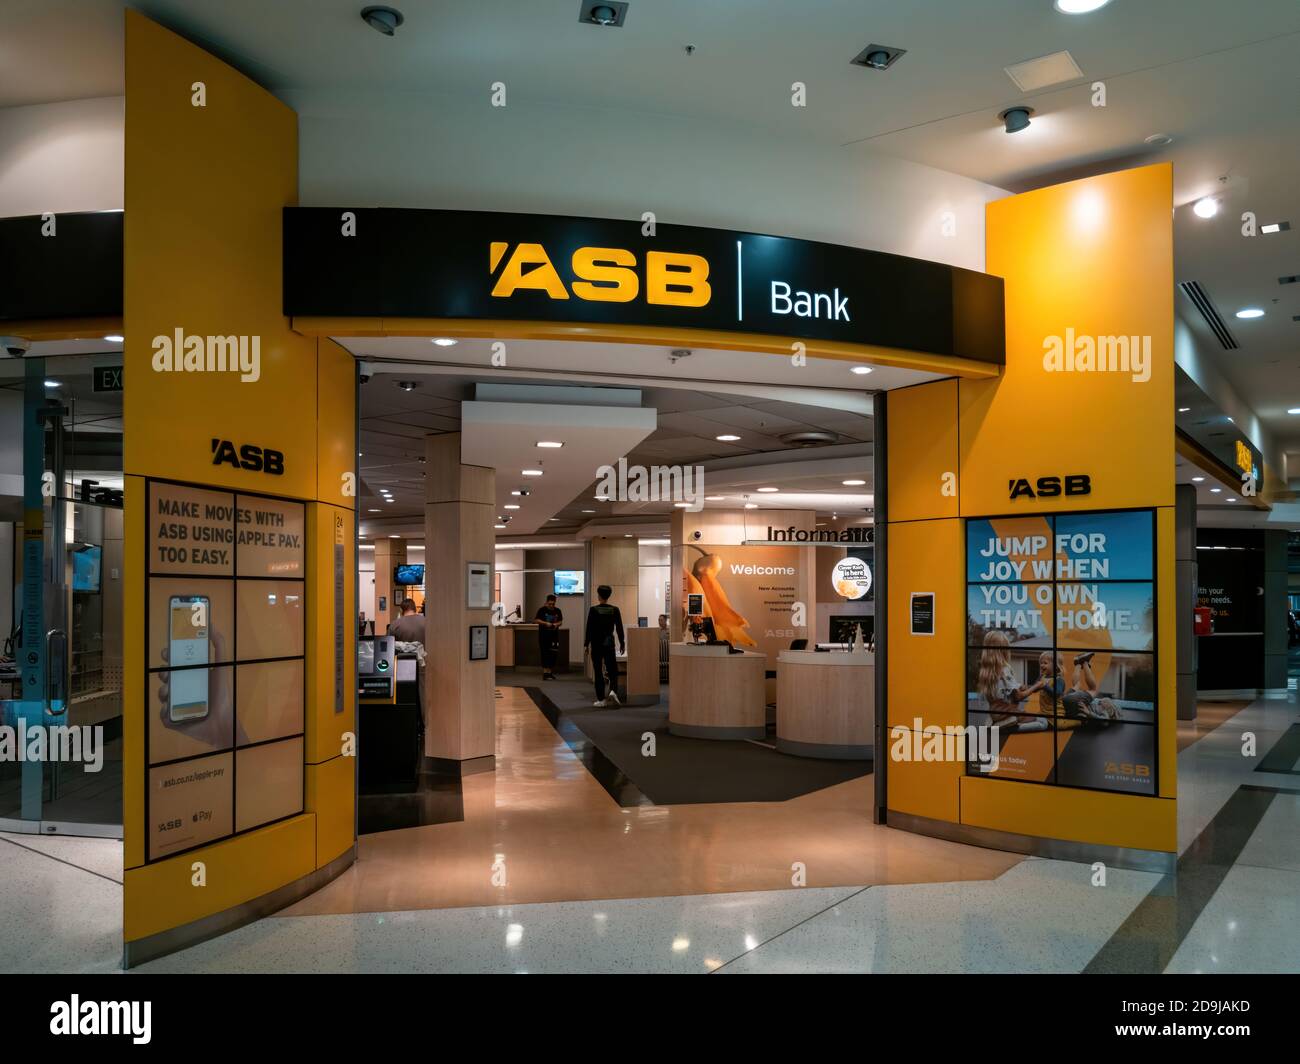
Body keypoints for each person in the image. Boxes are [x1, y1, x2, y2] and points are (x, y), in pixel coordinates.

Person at [975, 630, 1049, 732]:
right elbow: (1018, 697)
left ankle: (1001, 726)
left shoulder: (987, 672)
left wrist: (1022, 686)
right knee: (1044, 722)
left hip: (996, 715)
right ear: (1004, 650)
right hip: (1008, 715)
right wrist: (1037, 686)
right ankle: (1011, 728)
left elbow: (1003, 690)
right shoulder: (1005, 669)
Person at [584, 585, 625, 707]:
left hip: (596, 644)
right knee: (612, 670)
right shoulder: (614, 610)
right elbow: (619, 628)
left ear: (599, 596)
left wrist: (586, 644)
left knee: (598, 671)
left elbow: (589, 629)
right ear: (609, 596)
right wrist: (622, 642)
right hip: (609, 643)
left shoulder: (593, 610)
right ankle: (613, 691)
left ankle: (601, 699)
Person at [534, 594, 563, 680]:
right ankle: (545, 673)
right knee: (544, 653)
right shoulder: (541, 610)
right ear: (546, 602)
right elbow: (536, 620)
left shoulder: (558, 611)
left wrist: (555, 624)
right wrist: (545, 623)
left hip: (554, 636)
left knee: (553, 654)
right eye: (549, 604)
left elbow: (560, 622)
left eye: (553, 604)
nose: (551, 606)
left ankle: (550, 672)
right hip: (543, 636)